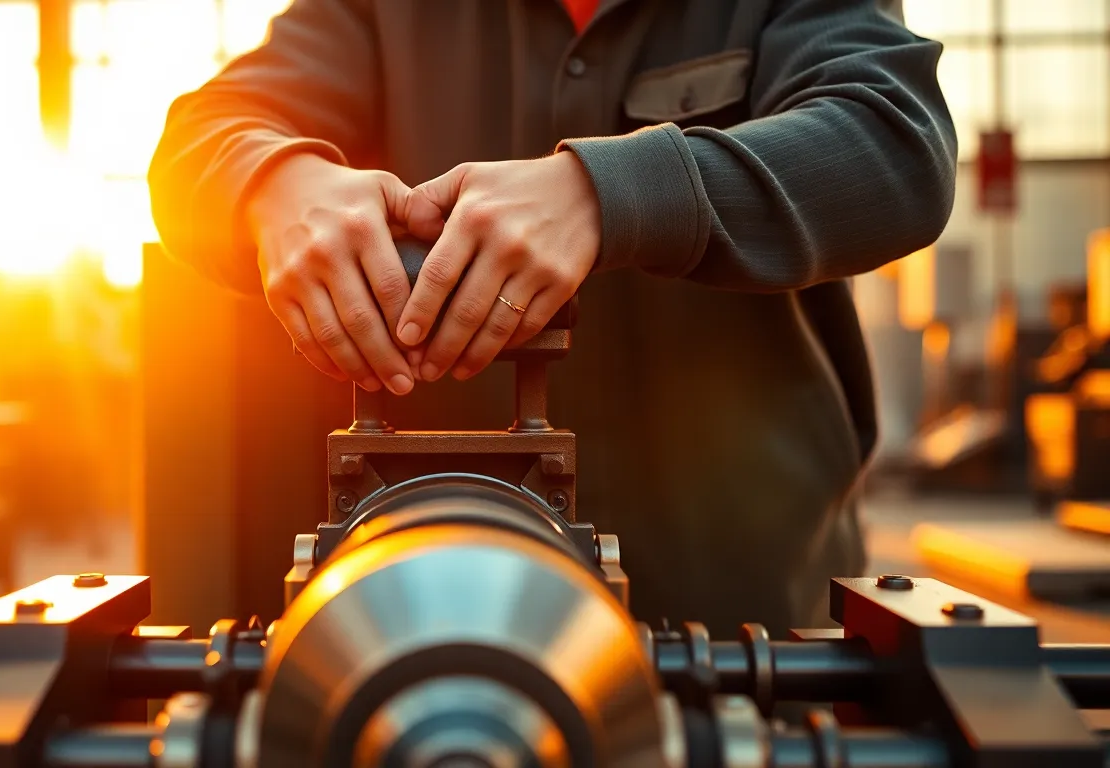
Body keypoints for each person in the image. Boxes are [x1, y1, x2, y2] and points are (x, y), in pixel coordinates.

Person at [148, 0, 957, 637]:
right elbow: (200, 140)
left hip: (746, 619)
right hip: (421, 616)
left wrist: (612, 194)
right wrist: (271, 183)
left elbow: (895, 139)